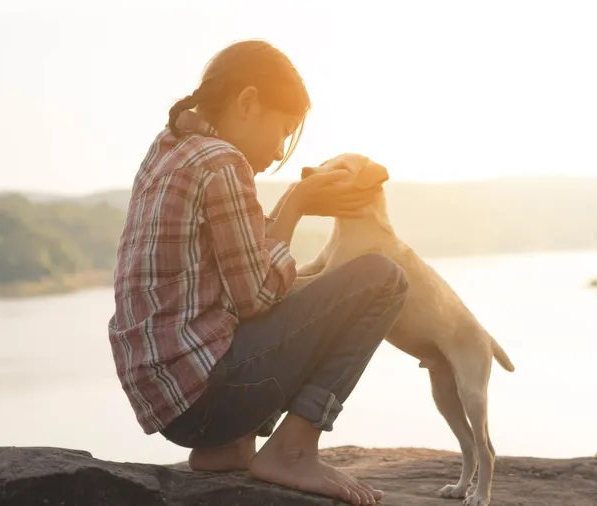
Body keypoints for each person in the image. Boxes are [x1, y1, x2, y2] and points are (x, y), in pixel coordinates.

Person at [108, 40, 408, 506]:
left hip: (171, 403)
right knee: (382, 279)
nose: (281, 150)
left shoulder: (168, 148)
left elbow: (235, 272)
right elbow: (257, 295)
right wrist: (296, 204)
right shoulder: (221, 161)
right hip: (206, 396)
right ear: (248, 102)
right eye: (284, 130)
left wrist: (293, 210)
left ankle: (227, 449)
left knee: (309, 289)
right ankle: (293, 450)